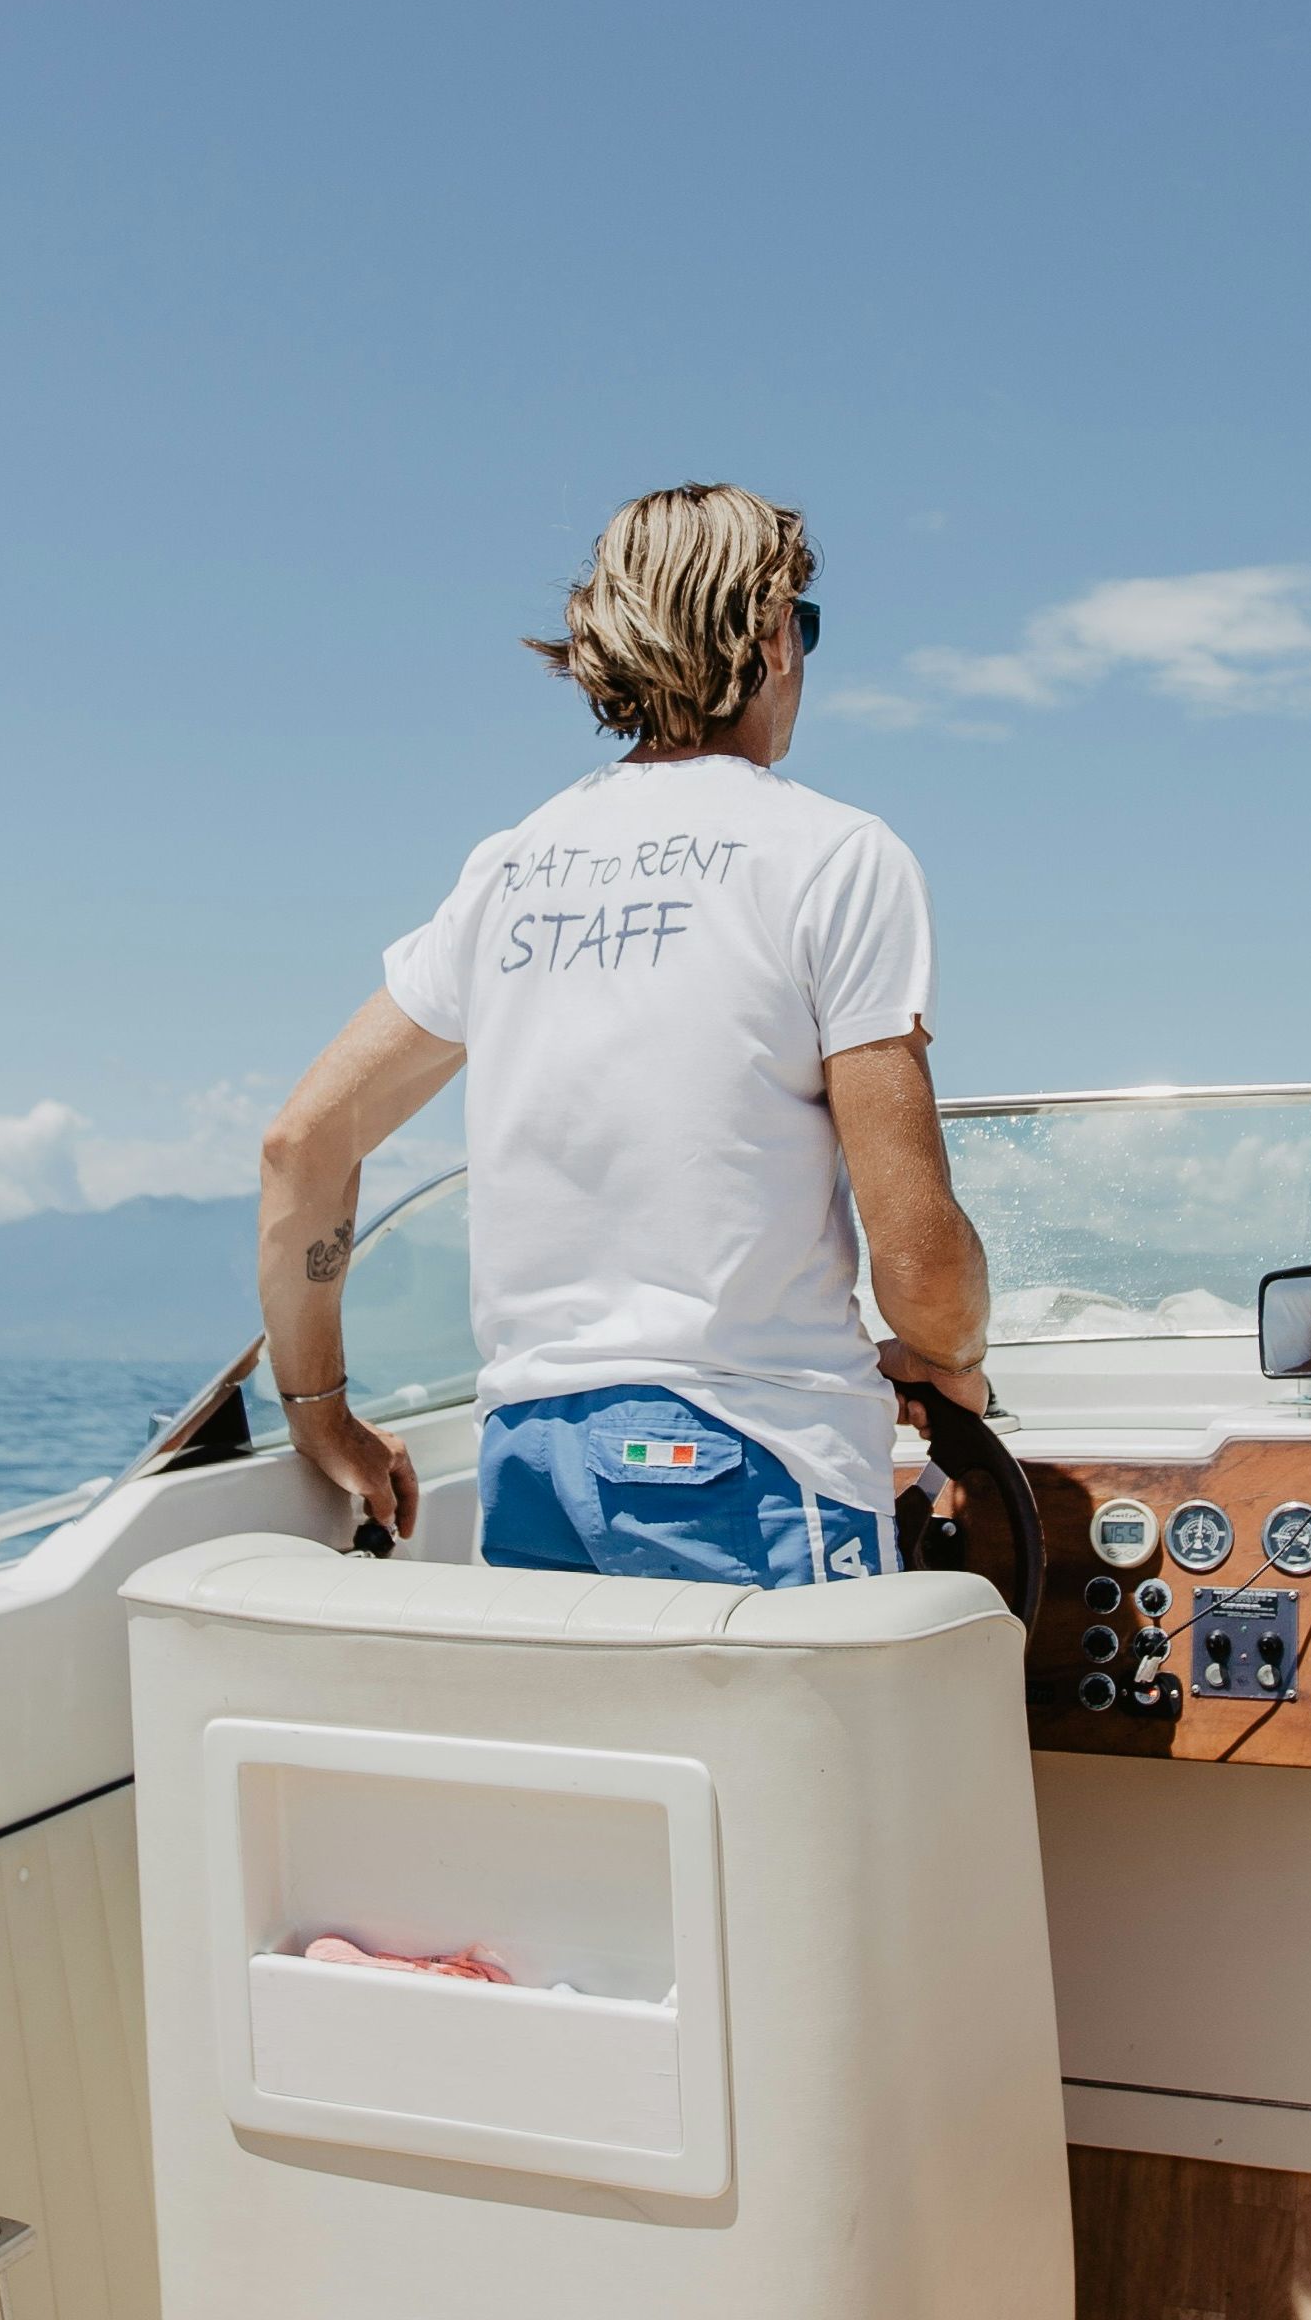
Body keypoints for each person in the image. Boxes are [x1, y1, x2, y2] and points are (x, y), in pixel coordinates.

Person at [255, 481, 991, 1586]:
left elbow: (300, 1148)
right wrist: (947, 1359)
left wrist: (318, 1411)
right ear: (773, 635)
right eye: (807, 624)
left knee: (612, 1765)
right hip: (751, 1456)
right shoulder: (835, 857)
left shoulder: (509, 867)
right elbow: (920, 1258)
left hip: (533, 1461)